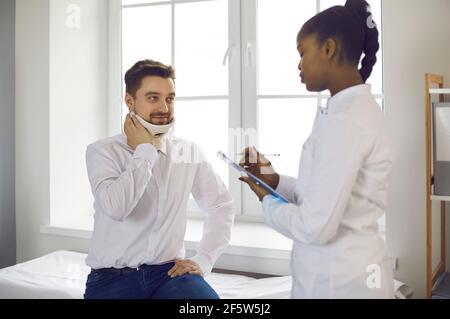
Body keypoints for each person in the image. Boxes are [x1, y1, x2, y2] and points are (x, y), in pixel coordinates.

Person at [239, 0, 396, 299]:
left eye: (302, 53)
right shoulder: (348, 112)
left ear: (329, 49)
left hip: (340, 284)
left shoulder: (347, 122)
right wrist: (274, 182)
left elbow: (314, 227)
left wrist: (266, 201)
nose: (299, 65)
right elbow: (326, 195)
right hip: (343, 275)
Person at [84, 59, 235, 299]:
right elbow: (116, 207)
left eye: (170, 98)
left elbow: (221, 205)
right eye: (153, 98)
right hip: (112, 280)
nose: (165, 108)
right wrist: (145, 150)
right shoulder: (102, 151)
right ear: (130, 101)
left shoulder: (188, 151)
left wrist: (204, 259)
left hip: (170, 274)